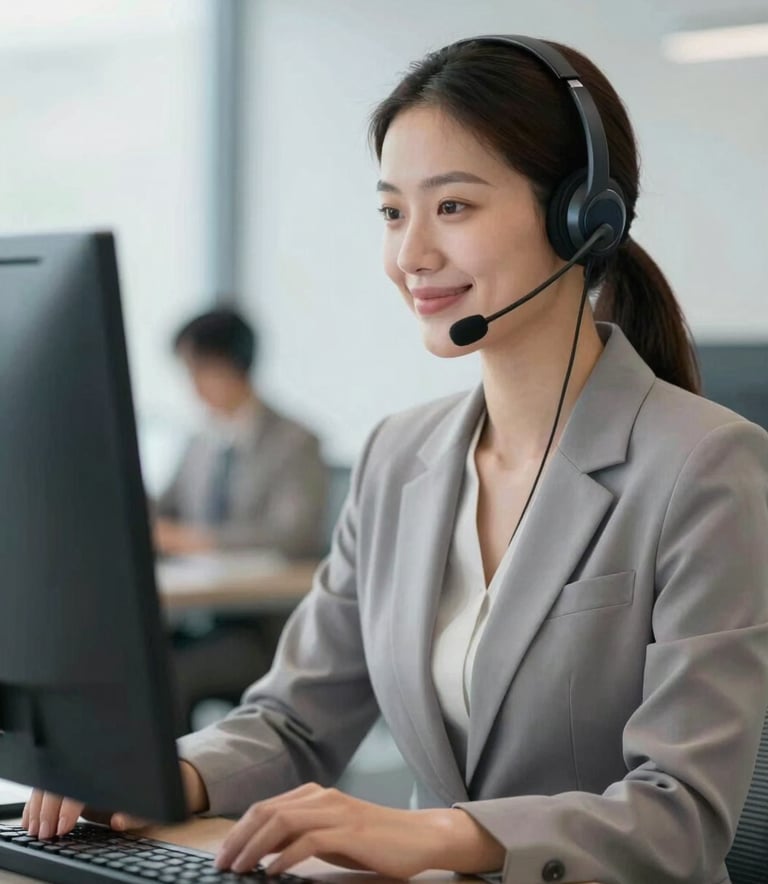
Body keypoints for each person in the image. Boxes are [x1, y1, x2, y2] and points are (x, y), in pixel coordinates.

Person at [24, 35, 768, 884]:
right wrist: (162, 780)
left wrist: (436, 836)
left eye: (452, 207)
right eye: (391, 211)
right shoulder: (398, 456)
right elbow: (296, 720)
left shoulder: (707, 467)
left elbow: (682, 814)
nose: (409, 254)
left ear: (581, 216)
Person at [154, 307, 327, 559]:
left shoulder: (296, 442)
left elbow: (294, 535)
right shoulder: (200, 442)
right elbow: (166, 508)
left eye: (200, 370)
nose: (193, 385)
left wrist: (200, 542)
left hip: (259, 593)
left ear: (234, 365)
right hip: (196, 586)